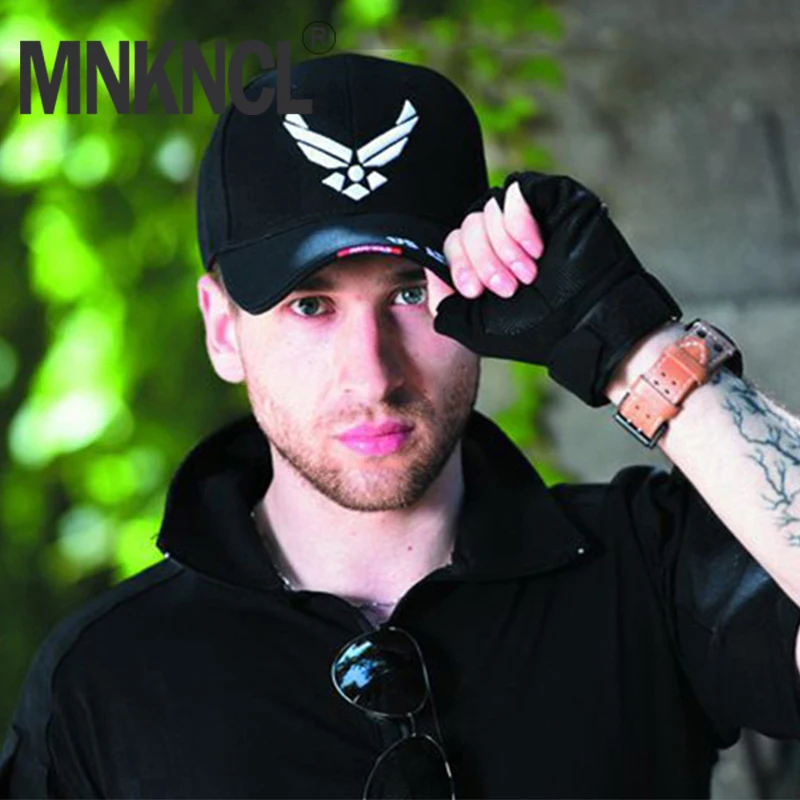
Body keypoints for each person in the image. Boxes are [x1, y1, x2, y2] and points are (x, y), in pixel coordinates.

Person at [1, 51, 799, 800]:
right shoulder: (106, 680)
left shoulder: (647, 567)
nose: (373, 374)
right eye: (310, 305)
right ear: (222, 329)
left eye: (411, 292)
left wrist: (633, 342)